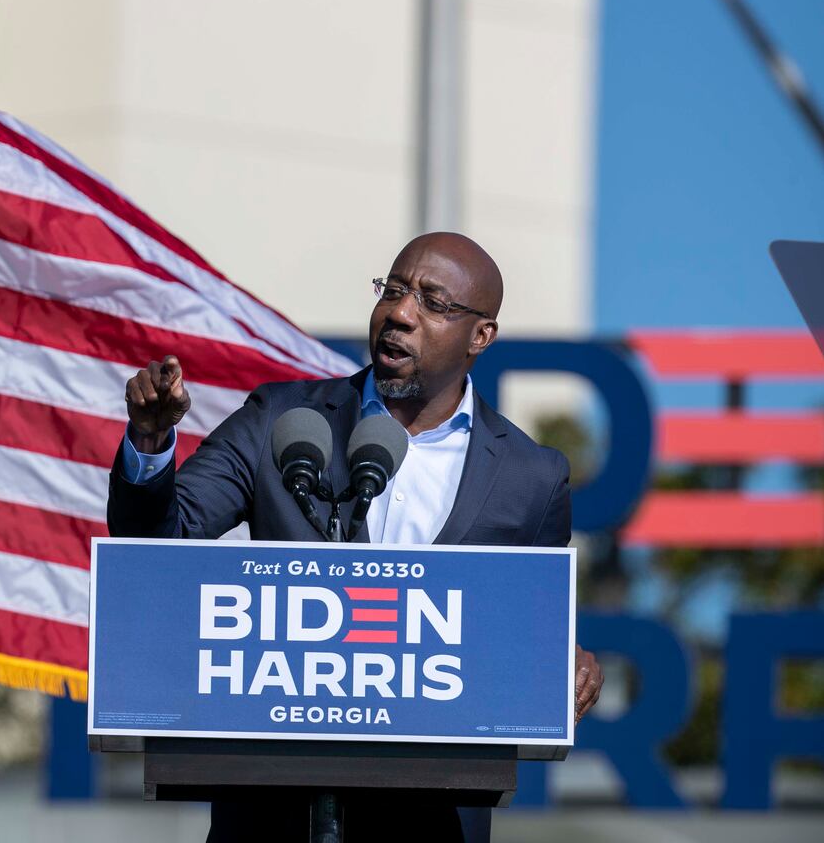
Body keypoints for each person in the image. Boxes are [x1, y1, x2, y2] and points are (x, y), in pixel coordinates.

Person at [107, 232, 604, 843]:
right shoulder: (282, 422)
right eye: (392, 290)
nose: (400, 313)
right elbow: (159, 542)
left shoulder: (532, 477)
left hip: (431, 825)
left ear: (481, 336)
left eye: (432, 303)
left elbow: (531, 629)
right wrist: (151, 443)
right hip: (270, 816)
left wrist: (565, 660)